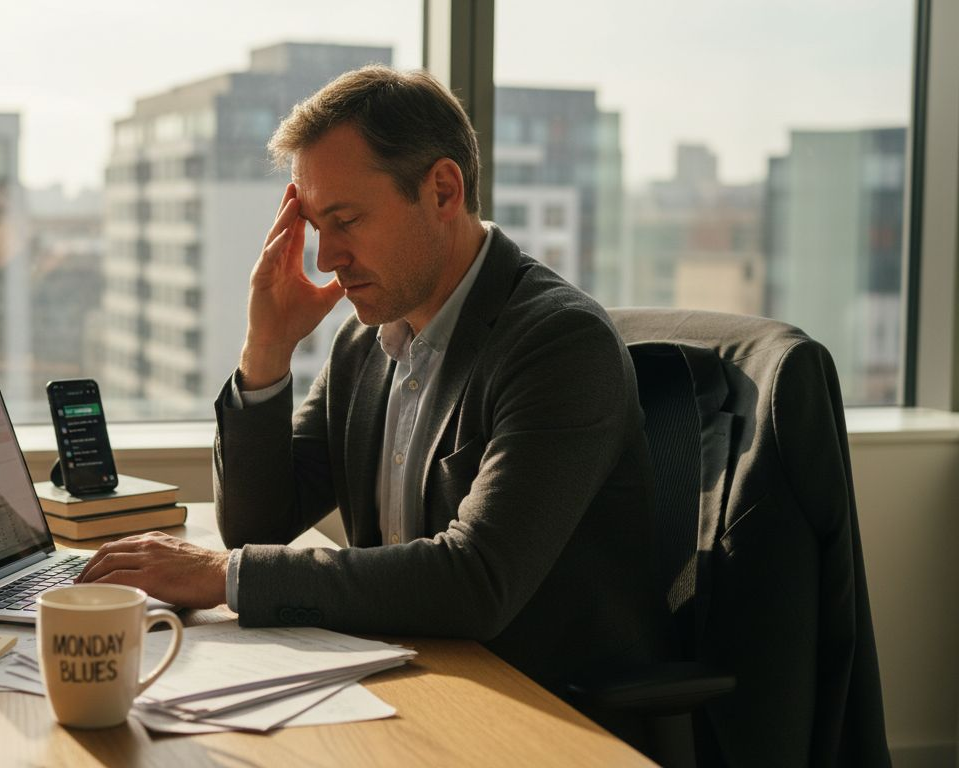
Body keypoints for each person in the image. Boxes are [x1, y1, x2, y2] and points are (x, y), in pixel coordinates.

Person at [79, 65, 664, 701]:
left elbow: (476, 582)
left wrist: (223, 576)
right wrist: (267, 349)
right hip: (410, 677)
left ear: (442, 191)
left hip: (539, 707)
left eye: (346, 219)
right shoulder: (366, 343)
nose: (325, 258)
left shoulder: (559, 343)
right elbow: (257, 526)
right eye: (315, 227)